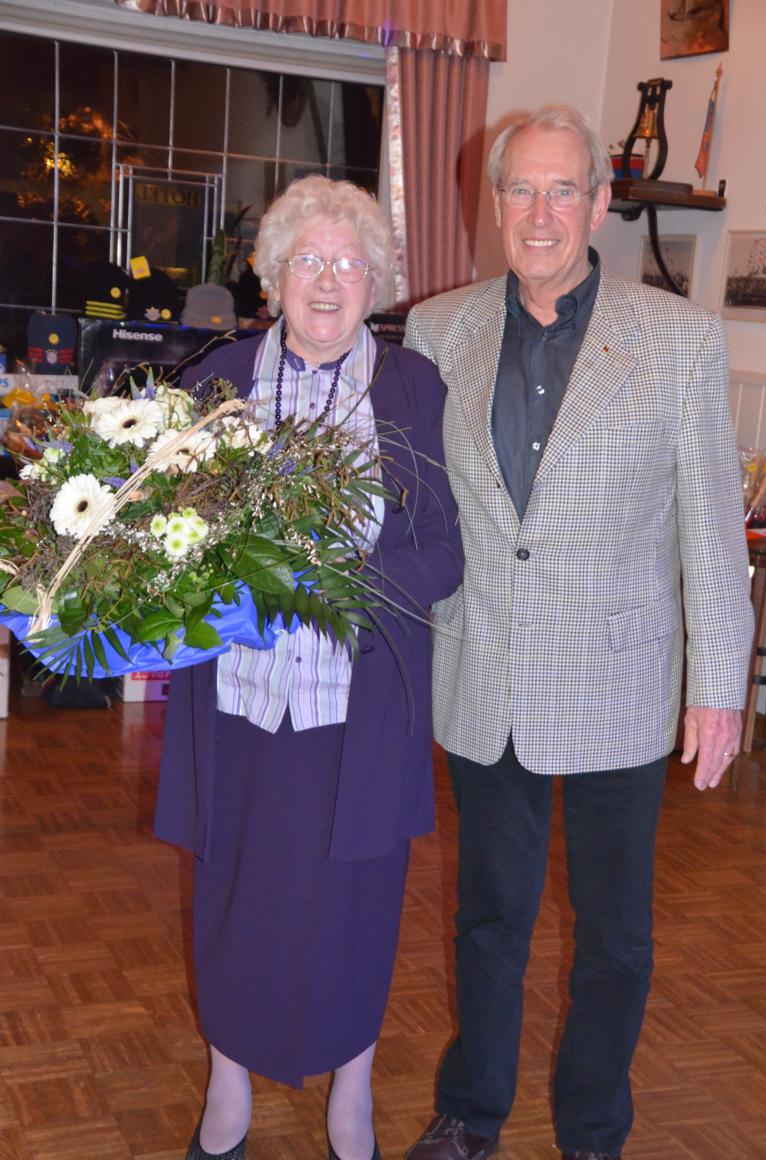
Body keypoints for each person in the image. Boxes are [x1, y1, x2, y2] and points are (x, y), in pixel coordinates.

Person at [403, 104, 753, 1160]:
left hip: (619, 679)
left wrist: (720, 686)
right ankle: (472, 1110)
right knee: (487, 920)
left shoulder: (681, 341)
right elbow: (412, 508)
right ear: (494, 202)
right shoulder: (436, 329)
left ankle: (594, 1127)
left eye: (565, 190)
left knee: (615, 935)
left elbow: (709, 522)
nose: (542, 212)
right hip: (485, 669)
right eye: (522, 189)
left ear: (600, 203)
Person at [155, 176, 463, 1160]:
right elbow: (166, 539)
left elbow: (447, 550)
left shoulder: (413, 389)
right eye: (308, 260)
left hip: (357, 706)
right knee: (232, 892)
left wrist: (350, 576)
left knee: (359, 901)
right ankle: (229, 1087)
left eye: (348, 262)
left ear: (374, 279)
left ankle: (352, 1094)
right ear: (274, 273)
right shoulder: (221, 379)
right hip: (242, 702)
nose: (327, 281)